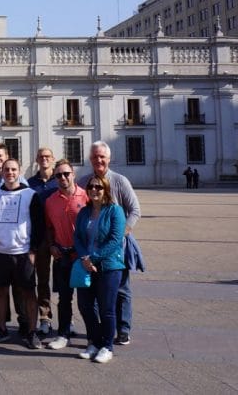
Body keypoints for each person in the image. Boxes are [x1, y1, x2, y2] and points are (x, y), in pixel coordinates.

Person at [77, 140, 142, 346]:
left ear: (109, 159)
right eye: (95, 157)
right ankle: (99, 331)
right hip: (91, 247)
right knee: (94, 291)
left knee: (121, 289)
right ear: (90, 159)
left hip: (116, 247)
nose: (99, 160)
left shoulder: (120, 181)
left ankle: (123, 329)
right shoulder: (84, 181)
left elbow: (135, 211)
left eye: (102, 157)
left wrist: (120, 234)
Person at [0, 158, 45, 349]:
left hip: (23, 253)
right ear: (1, 172)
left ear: (19, 171)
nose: (9, 173)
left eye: (13, 169)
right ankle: (2, 329)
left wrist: (33, 250)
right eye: (6, 170)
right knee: (0, 292)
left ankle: (31, 331)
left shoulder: (30, 195)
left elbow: (39, 224)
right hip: (0, 253)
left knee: (29, 293)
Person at [74, 174, 127, 364]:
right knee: (85, 306)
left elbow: (115, 240)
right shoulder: (84, 212)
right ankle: (94, 342)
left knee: (107, 309)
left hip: (108, 267)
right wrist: (84, 257)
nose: (94, 190)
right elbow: (77, 238)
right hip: (86, 265)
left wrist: (93, 258)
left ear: (106, 190)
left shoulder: (115, 211)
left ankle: (107, 346)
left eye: (99, 187)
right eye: (91, 187)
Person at [43, 159, 88, 350]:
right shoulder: (50, 201)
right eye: (58, 175)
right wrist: (52, 245)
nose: (62, 178)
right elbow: (48, 227)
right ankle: (63, 334)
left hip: (82, 257)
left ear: (73, 174)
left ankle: (93, 335)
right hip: (61, 255)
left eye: (66, 174)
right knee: (64, 298)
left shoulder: (86, 197)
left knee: (87, 299)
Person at [26, 147, 57, 337]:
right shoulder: (30, 184)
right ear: (37, 160)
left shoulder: (61, 179)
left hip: (61, 238)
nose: (44, 159)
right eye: (41, 157)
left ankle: (66, 319)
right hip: (40, 237)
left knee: (64, 282)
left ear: (52, 159)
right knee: (42, 280)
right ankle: (45, 318)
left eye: (47, 157)